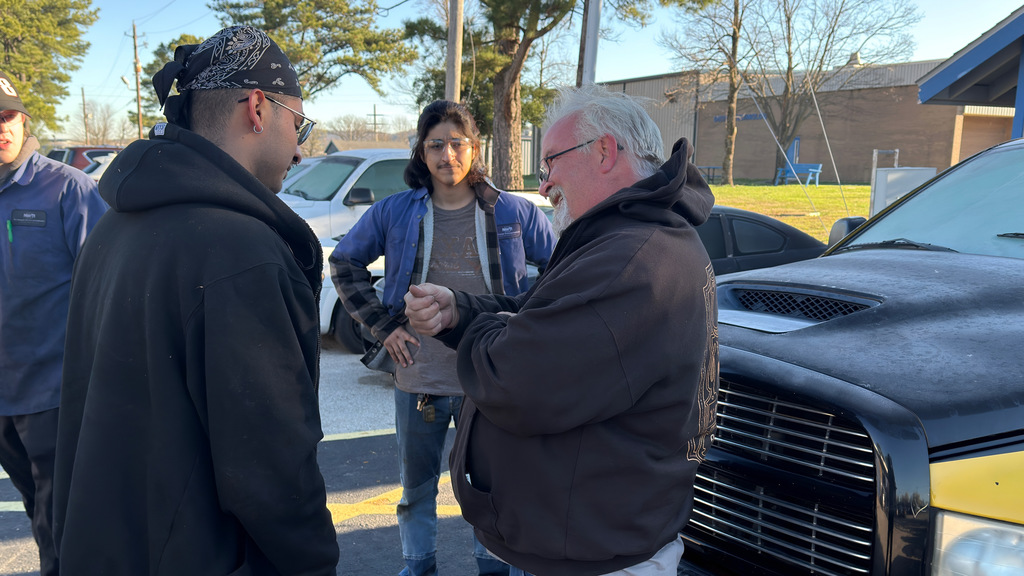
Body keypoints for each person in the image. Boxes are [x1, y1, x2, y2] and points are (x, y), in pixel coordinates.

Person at [51, 26, 339, 575]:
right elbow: (272, 466)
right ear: (258, 108)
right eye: (298, 122)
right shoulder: (240, 252)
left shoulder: (116, 226)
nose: (301, 146)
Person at [403, 84, 720, 576]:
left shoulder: (632, 260)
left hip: (597, 556)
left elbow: (514, 378)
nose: (544, 183)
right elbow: (537, 311)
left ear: (604, 151)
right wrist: (460, 313)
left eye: (550, 161)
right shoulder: (624, 240)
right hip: (589, 540)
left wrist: (492, 332)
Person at [329, 99, 556, 576]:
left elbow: (561, 269)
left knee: (491, 490)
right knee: (416, 490)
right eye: (436, 144)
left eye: (457, 143)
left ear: (474, 148)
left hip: (491, 381)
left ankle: (493, 567)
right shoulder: (395, 213)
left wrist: (524, 323)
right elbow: (344, 262)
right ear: (421, 151)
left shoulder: (513, 212)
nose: (447, 155)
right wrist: (384, 325)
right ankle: (419, 567)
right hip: (420, 379)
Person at [0, 69, 106, 576]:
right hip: (3, 392)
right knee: (34, 504)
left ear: (23, 121)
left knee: (58, 518)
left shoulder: (68, 190)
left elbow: (110, 285)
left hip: (55, 392)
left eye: (9, 116)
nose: (3, 127)